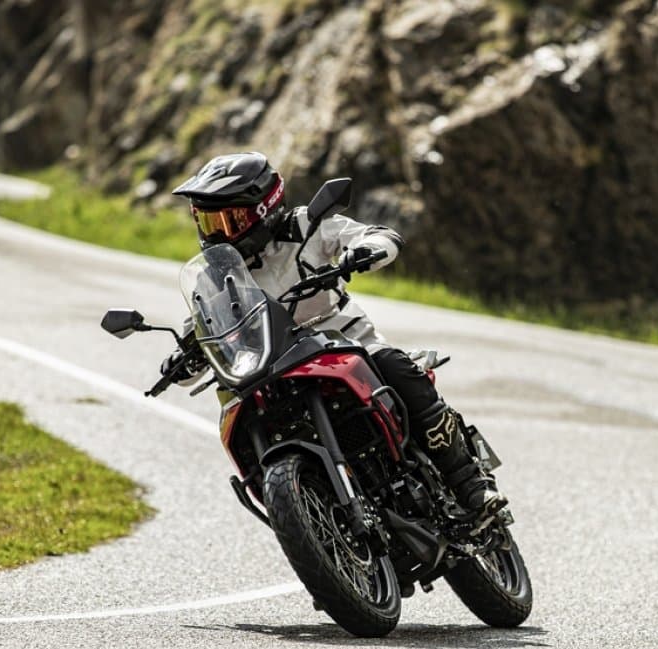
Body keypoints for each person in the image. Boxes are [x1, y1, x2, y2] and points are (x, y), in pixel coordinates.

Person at [164, 152, 503, 522]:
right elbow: (201, 325)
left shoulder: (307, 226)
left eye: (227, 221)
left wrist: (367, 249)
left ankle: (470, 483)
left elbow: (378, 236)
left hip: (348, 346)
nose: (215, 234)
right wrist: (183, 357)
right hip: (272, 369)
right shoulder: (212, 279)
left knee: (395, 366)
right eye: (207, 221)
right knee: (245, 415)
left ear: (264, 208)